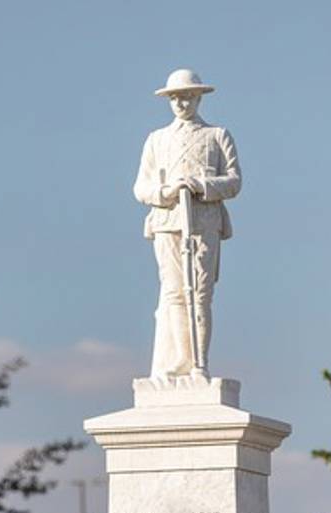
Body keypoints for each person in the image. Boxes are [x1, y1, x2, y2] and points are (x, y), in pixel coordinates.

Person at [132, 68, 241, 377]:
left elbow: (234, 182)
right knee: (174, 292)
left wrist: (199, 185)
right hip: (168, 222)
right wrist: (165, 192)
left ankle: (198, 363)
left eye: (188, 97)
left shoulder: (217, 136)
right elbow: (141, 187)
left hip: (204, 222)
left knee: (201, 293)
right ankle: (177, 360)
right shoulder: (156, 140)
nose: (182, 103)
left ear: (198, 98)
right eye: (176, 98)